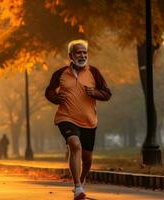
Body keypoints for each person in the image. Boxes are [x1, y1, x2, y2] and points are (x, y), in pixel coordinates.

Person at [45, 40, 111, 200]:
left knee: (87, 159)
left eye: (84, 53)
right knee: (74, 144)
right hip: (66, 117)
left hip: (89, 120)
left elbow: (107, 93)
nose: (82, 55)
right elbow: (49, 92)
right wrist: (56, 98)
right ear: (71, 56)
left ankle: (81, 180)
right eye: (78, 53)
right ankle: (77, 187)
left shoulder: (94, 72)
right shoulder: (60, 73)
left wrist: (94, 93)